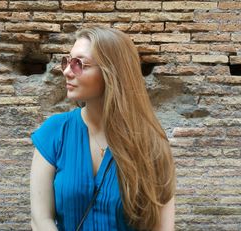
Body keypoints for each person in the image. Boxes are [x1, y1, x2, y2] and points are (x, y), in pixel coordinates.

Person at [30, 26, 176, 231]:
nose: (66, 71)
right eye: (67, 61)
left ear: (112, 72)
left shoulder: (151, 144)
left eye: (79, 63)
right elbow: (40, 219)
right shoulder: (54, 133)